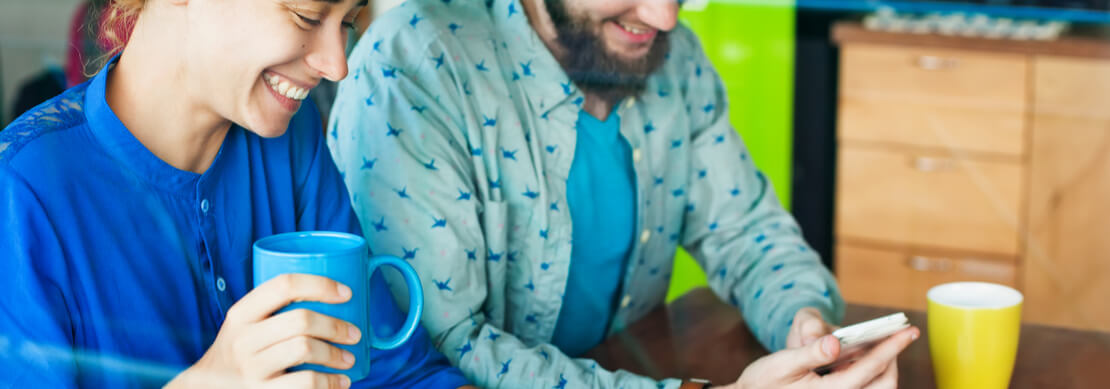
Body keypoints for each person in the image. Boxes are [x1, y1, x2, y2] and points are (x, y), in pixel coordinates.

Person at [327, 0, 918, 388]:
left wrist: (810, 329)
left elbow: (747, 233)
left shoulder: (676, 59)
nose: (663, 17)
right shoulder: (414, 69)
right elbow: (443, 349)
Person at [0, 0, 475, 388]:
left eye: (348, 21)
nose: (337, 65)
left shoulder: (290, 137)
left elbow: (400, 376)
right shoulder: (22, 193)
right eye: (307, 16)